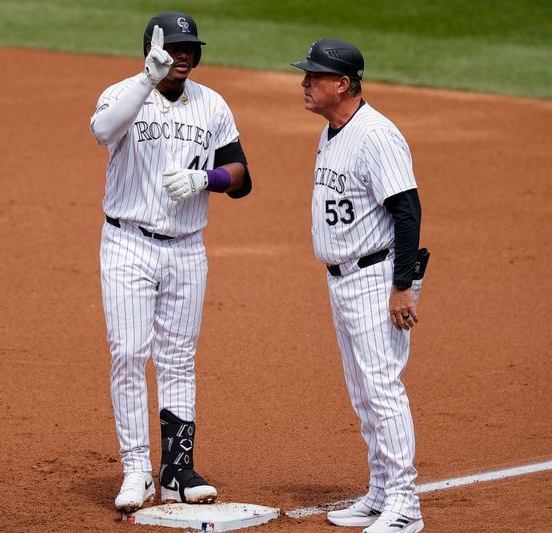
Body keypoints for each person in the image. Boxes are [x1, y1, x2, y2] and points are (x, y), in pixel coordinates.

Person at [89, 11, 252, 513]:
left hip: (186, 248)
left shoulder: (212, 103)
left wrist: (209, 181)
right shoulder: (123, 93)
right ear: (152, 48)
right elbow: (101, 131)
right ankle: (137, 469)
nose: (182, 56)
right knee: (129, 354)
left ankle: (177, 469)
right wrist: (146, 79)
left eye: (189, 48)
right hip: (128, 243)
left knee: (179, 358)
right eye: (173, 47)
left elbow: (242, 175)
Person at [292, 39, 428, 533]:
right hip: (345, 280)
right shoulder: (334, 131)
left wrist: (402, 286)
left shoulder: (376, 135)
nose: (305, 83)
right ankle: (380, 493)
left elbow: (408, 212)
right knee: (363, 393)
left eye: (314, 76)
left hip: (376, 278)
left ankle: (405, 506)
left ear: (342, 83)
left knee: (382, 389)